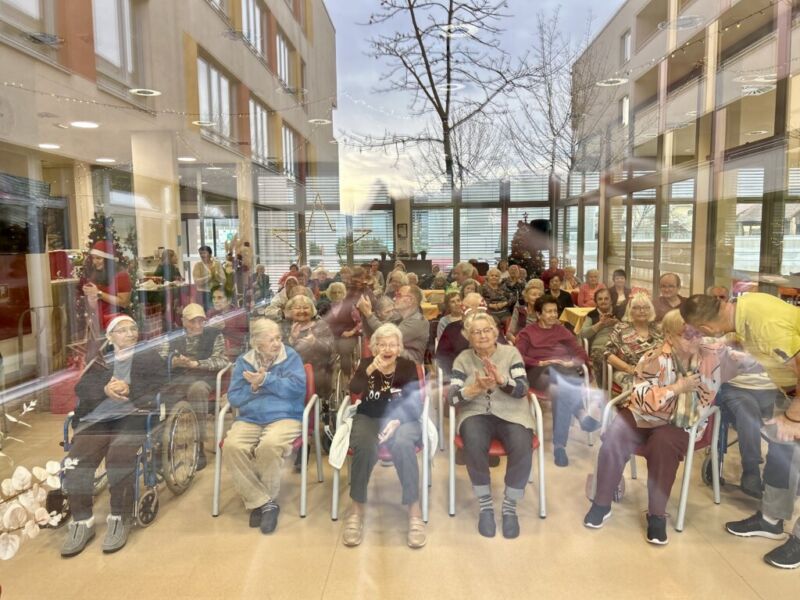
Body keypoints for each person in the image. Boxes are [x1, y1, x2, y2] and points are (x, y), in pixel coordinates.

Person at [584, 310, 762, 545]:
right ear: (669, 335)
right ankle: (602, 503)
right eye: (687, 334)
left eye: (698, 333)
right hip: (645, 414)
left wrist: (747, 346)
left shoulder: (712, 356)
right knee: (616, 435)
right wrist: (676, 388)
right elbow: (642, 400)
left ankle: (656, 515)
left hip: (682, 421)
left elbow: (754, 363)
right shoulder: (653, 358)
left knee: (663, 444)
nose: (695, 339)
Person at [682, 293, 800, 568]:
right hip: (791, 389)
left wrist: (794, 417)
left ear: (707, 327)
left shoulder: (763, 323)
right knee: (781, 449)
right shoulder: (746, 310)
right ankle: (770, 519)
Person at [61, 314, 166, 557]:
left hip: (134, 415)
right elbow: (81, 388)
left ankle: (120, 516)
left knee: (119, 457)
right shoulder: (100, 361)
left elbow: (163, 384)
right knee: (76, 460)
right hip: (97, 418)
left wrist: (131, 389)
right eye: (122, 330)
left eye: (133, 329)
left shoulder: (148, 355)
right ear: (110, 337)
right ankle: (82, 521)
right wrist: (105, 389)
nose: (130, 334)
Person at [341, 323, 426, 549]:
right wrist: (369, 370)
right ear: (374, 347)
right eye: (382, 344)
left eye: (393, 344)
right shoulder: (366, 364)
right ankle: (356, 509)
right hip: (369, 416)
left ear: (399, 348)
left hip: (403, 418)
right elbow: (354, 389)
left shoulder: (408, 366)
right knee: (365, 446)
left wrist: (397, 420)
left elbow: (415, 403)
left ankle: (414, 511)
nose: (387, 349)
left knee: (403, 444)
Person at [448, 312, 532, 539]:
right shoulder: (462, 359)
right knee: (473, 443)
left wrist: (503, 381)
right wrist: (473, 389)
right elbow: (452, 398)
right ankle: (485, 505)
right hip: (475, 413)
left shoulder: (511, 353)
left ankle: (510, 506)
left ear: (496, 333)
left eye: (487, 330)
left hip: (512, 413)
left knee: (522, 443)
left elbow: (523, 389)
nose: (483, 335)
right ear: (468, 336)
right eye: (476, 332)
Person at [224, 318, 306, 535]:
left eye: (279, 338)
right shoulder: (244, 361)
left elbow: (297, 389)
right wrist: (252, 388)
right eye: (271, 340)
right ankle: (264, 502)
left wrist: (266, 381)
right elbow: (234, 398)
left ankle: (260, 503)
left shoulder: (290, 357)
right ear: (257, 342)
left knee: (269, 446)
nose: (277, 343)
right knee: (232, 447)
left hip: (285, 415)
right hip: (250, 418)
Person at [515, 295, 599, 467]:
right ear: (538, 314)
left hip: (563, 372)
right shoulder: (527, 333)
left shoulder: (561, 331)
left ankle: (560, 446)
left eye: (555, 311)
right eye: (548, 311)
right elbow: (517, 356)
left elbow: (580, 352)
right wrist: (539, 362)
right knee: (560, 378)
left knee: (561, 391)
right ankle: (581, 414)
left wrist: (572, 361)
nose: (553, 315)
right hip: (539, 372)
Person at [160, 303, 230, 469]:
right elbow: (161, 359)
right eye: (193, 321)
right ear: (184, 321)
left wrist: (196, 363)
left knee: (197, 390)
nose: (198, 325)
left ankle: (199, 445)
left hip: (205, 378)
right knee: (162, 393)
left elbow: (222, 361)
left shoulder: (214, 335)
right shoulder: (172, 337)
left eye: (201, 321)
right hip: (179, 379)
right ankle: (163, 444)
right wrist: (174, 362)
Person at [604, 292, 663, 391]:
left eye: (646, 307)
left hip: (656, 371)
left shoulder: (657, 329)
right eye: (637, 308)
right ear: (630, 310)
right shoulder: (621, 329)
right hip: (627, 372)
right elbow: (608, 354)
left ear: (651, 310)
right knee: (641, 388)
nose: (642, 311)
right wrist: (630, 369)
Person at [281, 294, 334, 398]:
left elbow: (330, 349)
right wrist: (291, 340)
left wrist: (314, 342)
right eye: (297, 308)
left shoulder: (321, 326)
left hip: (317, 369)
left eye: (306, 308)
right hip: (289, 370)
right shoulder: (284, 328)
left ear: (312, 310)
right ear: (289, 311)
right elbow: (276, 352)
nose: (302, 311)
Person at [358, 285, 429, 363]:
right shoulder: (399, 316)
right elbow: (382, 325)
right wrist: (369, 313)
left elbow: (387, 335)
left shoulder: (417, 322)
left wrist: (368, 314)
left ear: (410, 300)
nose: (394, 298)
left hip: (410, 366)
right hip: (397, 362)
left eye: (399, 295)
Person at [82, 240, 132, 333]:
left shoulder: (121, 275)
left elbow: (124, 302)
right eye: (93, 258)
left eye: (98, 258)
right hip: (99, 322)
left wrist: (98, 293)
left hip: (116, 323)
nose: (95, 262)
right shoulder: (96, 275)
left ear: (108, 260)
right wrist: (90, 295)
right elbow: (94, 305)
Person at [321, 282, 361, 379]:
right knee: (323, 350)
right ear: (330, 294)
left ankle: (347, 377)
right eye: (334, 292)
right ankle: (327, 379)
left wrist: (351, 332)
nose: (337, 295)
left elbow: (360, 323)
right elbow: (322, 324)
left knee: (343, 349)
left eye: (339, 292)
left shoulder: (350, 307)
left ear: (343, 293)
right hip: (332, 336)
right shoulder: (326, 308)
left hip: (348, 336)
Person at [579, 288, 619, 378]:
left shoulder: (618, 311)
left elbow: (629, 327)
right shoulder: (591, 315)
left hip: (618, 344)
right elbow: (583, 334)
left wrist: (617, 323)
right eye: (600, 299)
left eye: (606, 298)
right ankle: (604, 384)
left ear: (611, 301)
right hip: (600, 347)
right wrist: (600, 324)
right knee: (603, 358)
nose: (603, 301)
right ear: (596, 302)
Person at [208, 285, 249, 360]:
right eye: (213, 298)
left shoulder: (239, 314)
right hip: (212, 349)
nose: (215, 301)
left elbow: (241, 339)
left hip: (232, 352)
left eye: (219, 298)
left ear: (229, 300)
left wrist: (225, 325)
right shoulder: (211, 313)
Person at [506, 279, 544, 345]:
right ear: (526, 297)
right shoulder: (520, 307)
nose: (537, 297)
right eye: (534, 295)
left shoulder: (544, 310)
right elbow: (509, 333)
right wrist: (515, 341)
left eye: (539, 295)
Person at [193, 245, 223, 312]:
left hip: (215, 293)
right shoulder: (198, 265)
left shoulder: (217, 264)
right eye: (200, 253)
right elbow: (197, 281)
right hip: (202, 293)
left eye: (204, 253)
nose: (202, 255)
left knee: (216, 312)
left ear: (210, 254)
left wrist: (216, 275)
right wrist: (209, 276)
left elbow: (223, 279)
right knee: (203, 312)